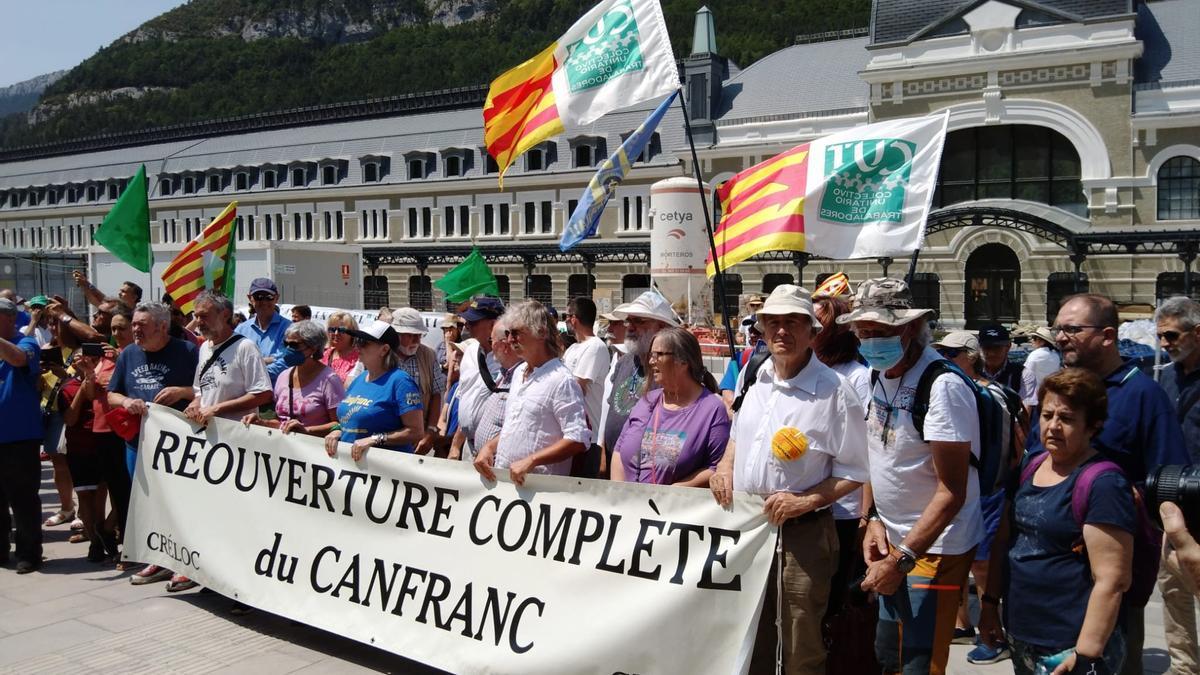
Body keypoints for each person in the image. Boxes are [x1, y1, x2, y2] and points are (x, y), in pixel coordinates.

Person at [709, 285, 869, 674]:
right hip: (748, 531)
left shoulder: (834, 392)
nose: (781, 331)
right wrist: (725, 469)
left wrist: (806, 500)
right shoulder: (757, 376)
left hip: (802, 536)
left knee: (800, 645)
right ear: (762, 330)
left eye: (792, 323)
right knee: (750, 636)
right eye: (773, 323)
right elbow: (737, 436)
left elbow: (856, 472)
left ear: (812, 331)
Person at [1039, 293, 1188, 675]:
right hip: (1051, 579)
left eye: (1072, 329)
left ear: (1107, 335)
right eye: (1058, 328)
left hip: (1112, 577)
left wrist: (1124, 497)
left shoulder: (1144, 395)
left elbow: (1169, 481)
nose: (1061, 337)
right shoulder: (1058, 390)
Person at [844, 278, 982, 675]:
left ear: (908, 329)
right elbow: (876, 451)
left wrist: (903, 559)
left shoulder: (942, 387)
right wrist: (872, 519)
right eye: (863, 332)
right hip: (892, 542)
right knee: (890, 654)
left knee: (920, 663)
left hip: (934, 547)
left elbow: (952, 492)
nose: (870, 341)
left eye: (880, 332)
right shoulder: (877, 376)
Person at [979, 368, 1135, 675]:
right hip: (1022, 634)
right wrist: (989, 606)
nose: (1053, 427)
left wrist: (1086, 654)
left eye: (1066, 418)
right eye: (1047, 415)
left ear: (1093, 425)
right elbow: (1003, 542)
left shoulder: (1103, 483)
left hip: (1070, 646)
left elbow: (1113, 579)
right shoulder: (1030, 466)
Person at [931, 330, 1019, 664]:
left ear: (971, 356)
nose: (946, 360)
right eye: (943, 353)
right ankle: (961, 624)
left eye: (953, 354)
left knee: (982, 564)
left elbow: (1010, 447)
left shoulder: (991, 393)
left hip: (987, 490)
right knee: (954, 557)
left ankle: (990, 631)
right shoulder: (949, 390)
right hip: (957, 490)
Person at [107, 302, 198, 585]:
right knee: (148, 504)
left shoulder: (188, 352)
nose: (135, 329)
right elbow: (111, 394)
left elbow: (205, 390)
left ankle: (187, 563)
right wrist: (127, 401)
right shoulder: (128, 355)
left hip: (178, 448)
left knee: (182, 503)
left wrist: (182, 391)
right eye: (134, 324)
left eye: (141, 324)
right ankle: (158, 561)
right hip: (138, 444)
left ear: (162, 326)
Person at [474, 300, 589, 484]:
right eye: (508, 333)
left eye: (517, 333)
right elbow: (515, 428)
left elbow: (578, 439)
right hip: (508, 483)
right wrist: (489, 447)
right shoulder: (519, 372)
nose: (510, 340)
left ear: (542, 332)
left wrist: (532, 460)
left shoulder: (561, 380)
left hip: (540, 491)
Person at [810, 292, 871, 629]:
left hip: (841, 511)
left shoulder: (857, 377)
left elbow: (864, 452)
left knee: (831, 599)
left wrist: (865, 515)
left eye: (819, 323)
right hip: (802, 510)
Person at [612, 326, 727, 485]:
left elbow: (717, 467)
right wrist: (617, 494)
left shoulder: (712, 409)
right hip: (628, 506)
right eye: (651, 355)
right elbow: (619, 450)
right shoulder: (646, 401)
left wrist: (675, 491)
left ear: (683, 361)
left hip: (672, 507)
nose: (651, 361)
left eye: (658, 355)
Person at [1154, 296, 1200, 673]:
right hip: (1175, 503)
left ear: (1197, 333)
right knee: (1173, 591)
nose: (1165, 344)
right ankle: (1184, 667)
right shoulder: (1167, 375)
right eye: (1161, 337)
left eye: (1171, 335)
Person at [600, 291, 678, 473]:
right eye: (629, 320)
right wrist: (602, 449)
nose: (630, 327)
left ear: (662, 327)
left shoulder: (671, 367)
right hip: (614, 463)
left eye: (640, 321)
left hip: (647, 471)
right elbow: (610, 409)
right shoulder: (624, 362)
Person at [324, 320, 423, 461]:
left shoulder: (401, 381)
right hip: (354, 467)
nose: (358, 346)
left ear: (384, 350)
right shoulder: (360, 378)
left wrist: (375, 439)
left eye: (364, 343)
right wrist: (337, 431)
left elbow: (416, 432)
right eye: (357, 341)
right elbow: (351, 419)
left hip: (384, 469)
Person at [59, 352, 121, 563]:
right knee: (86, 496)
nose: (83, 360)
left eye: (89, 357)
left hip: (102, 443)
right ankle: (95, 542)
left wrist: (91, 378)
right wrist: (84, 382)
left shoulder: (108, 380)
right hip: (79, 447)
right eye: (77, 358)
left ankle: (106, 532)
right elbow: (70, 417)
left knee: (105, 493)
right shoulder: (67, 388)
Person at [0, 297, 44, 573]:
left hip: (19, 438)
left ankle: (28, 553)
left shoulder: (26, 343)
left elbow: (17, 360)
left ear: (7, 318)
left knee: (23, 498)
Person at [243, 320, 344, 437]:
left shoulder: (329, 380)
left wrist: (306, 430)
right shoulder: (283, 376)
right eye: (287, 344)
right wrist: (261, 422)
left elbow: (339, 424)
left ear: (313, 348)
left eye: (294, 345)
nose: (288, 349)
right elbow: (281, 422)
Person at [450, 296, 505, 461]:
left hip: (496, 452)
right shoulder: (470, 352)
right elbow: (468, 401)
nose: (467, 327)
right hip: (469, 447)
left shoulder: (511, 358)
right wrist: (455, 446)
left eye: (473, 322)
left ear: (492, 324)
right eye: (467, 322)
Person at [563, 297, 611, 476]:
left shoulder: (595, 347)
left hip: (588, 438)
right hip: (570, 434)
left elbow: (578, 388)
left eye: (567, 316)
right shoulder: (572, 348)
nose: (566, 320)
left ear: (573, 319)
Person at [391, 308, 445, 455]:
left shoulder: (429, 355)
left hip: (419, 438)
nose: (416, 340)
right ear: (396, 335)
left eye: (419, 335)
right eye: (410, 335)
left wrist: (431, 430)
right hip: (389, 436)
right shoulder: (382, 354)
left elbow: (436, 394)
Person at [471, 318, 524, 452]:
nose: (490, 347)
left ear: (504, 345)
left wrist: (489, 448)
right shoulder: (504, 373)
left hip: (500, 464)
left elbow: (521, 426)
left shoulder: (523, 377)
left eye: (491, 341)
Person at [234, 277, 292, 383]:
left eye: (269, 297)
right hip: (244, 394)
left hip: (275, 395)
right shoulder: (240, 330)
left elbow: (285, 361)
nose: (264, 302)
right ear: (250, 298)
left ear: (276, 298)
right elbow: (235, 361)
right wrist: (267, 360)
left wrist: (251, 373)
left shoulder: (289, 329)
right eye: (258, 297)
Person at [978, 323, 1037, 410]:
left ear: (1008, 346)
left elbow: (1024, 416)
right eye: (987, 348)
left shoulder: (1023, 375)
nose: (991, 353)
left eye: (997, 348)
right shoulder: (971, 372)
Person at [323, 311, 363, 386]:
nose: (336, 333)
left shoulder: (360, 357)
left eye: (341, 330)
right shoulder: (324, 354)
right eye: (332, 329)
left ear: (352, 333)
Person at [1022, 326, 1060, 392]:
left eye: (1034, 338)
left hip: (1035, 393)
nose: (1032, 340)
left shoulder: (1035, 355)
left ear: (1042, 342)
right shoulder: (1055, 355)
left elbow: (1026, 376)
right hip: (1051, 391)